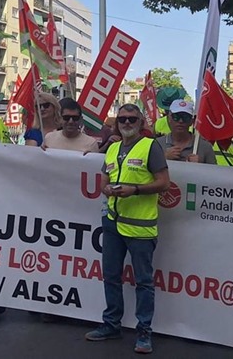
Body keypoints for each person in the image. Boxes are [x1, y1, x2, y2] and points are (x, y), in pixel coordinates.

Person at [85, 104, 170, 354]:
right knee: (111, 275)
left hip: (140, 227)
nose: (127, 122)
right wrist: (107, 189)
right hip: (112, 222)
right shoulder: (112, 148)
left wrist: (135, 190)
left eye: (132, 118)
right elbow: (104, 181)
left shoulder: (150, 146)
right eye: (122, 118)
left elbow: (164, 183)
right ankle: (111, 324)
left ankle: (144, 331)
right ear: (117, 122)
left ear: (141, 121)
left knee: (143, 281)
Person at [156, 99, 215, 164]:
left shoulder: (205, 146)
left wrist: (201, 165)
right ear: (169, 119)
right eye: (176, 117)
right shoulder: (157, 144)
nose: (180, 121)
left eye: (185, 117)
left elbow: (215, 172)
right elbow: (147, 170)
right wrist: (163, 158)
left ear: (191, 121)